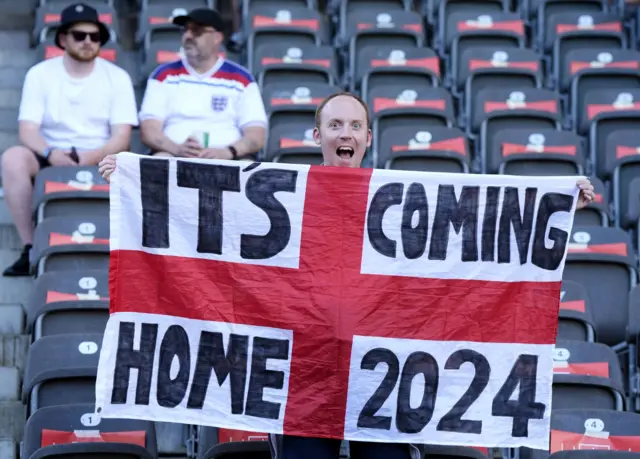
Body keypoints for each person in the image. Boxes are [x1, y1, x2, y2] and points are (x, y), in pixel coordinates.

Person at [97, 92, 596, 458]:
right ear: (317, 136)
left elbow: (489, 215)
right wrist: (131, 175)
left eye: (354, 125)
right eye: (335, 125)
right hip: (301, 377)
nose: (345, 134)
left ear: (368, 137)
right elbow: (200, 206)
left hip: (385, 376)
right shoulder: (281, 191)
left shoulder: (400, 196)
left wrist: (559, 199)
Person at [1, 2, 138, 277]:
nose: (88, 42)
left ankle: (127, 254)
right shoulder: (40, 74)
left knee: (135, 163)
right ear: (63, 39)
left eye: (95, 36)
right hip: (51, 153)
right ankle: (30, 247)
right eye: (79, 35)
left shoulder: (118, 77)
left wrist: (89, 157)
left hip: (101, 156)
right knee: (13, 158)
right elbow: (28, 131)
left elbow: (122, 137)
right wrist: (51, 153)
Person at [137, 7, 266, 160]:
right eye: (185, 30)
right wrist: (177, 149)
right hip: (174, 156)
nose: (188, 36)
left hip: (228, 160)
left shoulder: (241, 79)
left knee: (246, 167)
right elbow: (149, 130)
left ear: (217, 37)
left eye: (197, 31)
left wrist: (227, 152)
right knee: (160, 161)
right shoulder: (163, 75)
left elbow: (257, 134)